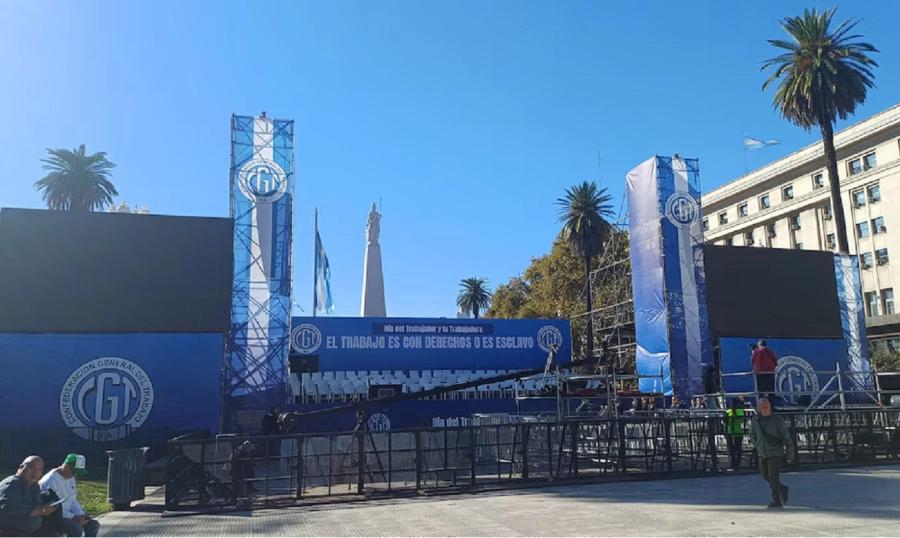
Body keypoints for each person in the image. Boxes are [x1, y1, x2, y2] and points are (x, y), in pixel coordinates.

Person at [39, 454, 99, 537]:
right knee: (76, 529)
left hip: (67, 513)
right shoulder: (50, 481)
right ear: (66, 467)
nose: (75, 476)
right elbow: (52, 507)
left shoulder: (70, 478)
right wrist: (73, 517)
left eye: (77, 473)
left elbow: (72, 500)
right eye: (74, 472)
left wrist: (81, 514)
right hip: (53, 516)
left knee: (93, 525)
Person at [749, 398, 794, 508]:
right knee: (765, 475)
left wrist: (789, 455)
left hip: (775, 452)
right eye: (764, 407)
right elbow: (751, 434)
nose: (766, 409)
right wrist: (756, 444)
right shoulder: (755, 420)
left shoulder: (777, 420)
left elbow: (787, 437)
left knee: (773, 477)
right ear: (759, 408)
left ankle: (777, 500)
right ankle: (782, 488)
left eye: (768, 407)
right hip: (762, 452)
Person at [0, 456, 59, 536]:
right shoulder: (13, 484)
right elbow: (9, 508)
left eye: (39, 469)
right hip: (12, 532)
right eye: (31, 467)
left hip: (33, 531)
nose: (35, 472)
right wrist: (42, 511)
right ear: (21, 467)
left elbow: (37, 506)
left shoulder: (34, 485)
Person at [725, 399, 746, 470]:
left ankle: (732, 464)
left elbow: (724, 422)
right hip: (739, 432)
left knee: (731, 450)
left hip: (730, 432)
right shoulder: (741, 412)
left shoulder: (728, 412)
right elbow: (744, 420)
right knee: (739, 448)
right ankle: (738, 464)